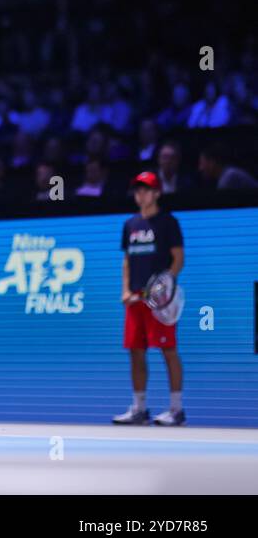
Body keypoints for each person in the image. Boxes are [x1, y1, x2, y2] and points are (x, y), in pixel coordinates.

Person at [113, 172, 185, 426]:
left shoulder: (168, 223)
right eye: (137, 190)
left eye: (145, 190)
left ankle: (176, 410)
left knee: (168, 350)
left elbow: (178, 259)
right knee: (135, 352)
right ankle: (139, 409)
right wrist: (125, 290)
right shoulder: (130, 225)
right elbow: (126, 261)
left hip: (159, 302)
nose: (140, 195)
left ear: (157, 194)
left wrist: (164, 287)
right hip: (135, 300)